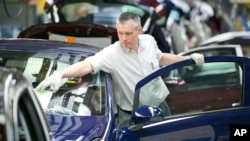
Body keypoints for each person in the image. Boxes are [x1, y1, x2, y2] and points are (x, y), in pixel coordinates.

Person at [36, 12, 204, 127]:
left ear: (139, 30)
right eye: (120, 32)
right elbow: (87, 65)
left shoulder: (149, 41)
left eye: (128, 33)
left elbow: (161, 59)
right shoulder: (112, 53)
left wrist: (187, 59)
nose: (123, 38)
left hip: (161, 107)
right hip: (131, 116)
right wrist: (59, 75)